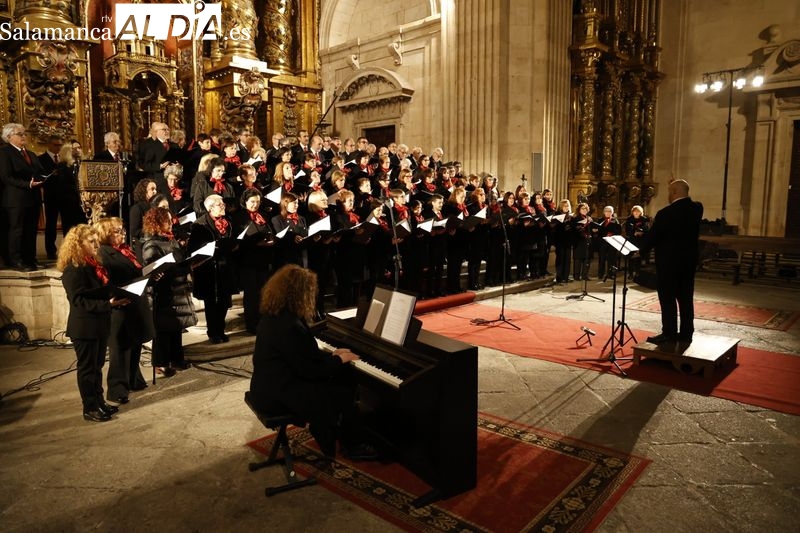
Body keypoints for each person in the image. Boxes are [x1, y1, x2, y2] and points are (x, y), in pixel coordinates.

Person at [248, 264, 376, 461]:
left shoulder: (275, 316)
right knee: (343, 388)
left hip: (267, 387)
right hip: (278, 396)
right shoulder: (290, 325)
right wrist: (338, 359)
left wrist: (333, 355)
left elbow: (302, 357)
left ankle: (333, 430)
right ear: (298, 294)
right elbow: (310, 370)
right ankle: (352, 444)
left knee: (342, 376)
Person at [58, 224, 129, 422]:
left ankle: (99, 402)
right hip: (85, 327)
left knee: (97, 367)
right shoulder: (73, 269)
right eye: (91, 242)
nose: (97, 244)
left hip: (98, 324)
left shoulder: (92, 264)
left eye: (97, 240)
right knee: (88, 370)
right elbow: (79, 300)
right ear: (78, 245)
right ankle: (89, 408)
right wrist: (108, 303)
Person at [96, 217, 153, 403]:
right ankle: (117, 389)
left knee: (135, 342)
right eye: (117, 231)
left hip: (134, 301)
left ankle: (133, 379)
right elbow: (105, 280)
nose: (123, 233)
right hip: (120, 305)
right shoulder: (103, 254)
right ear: (105, 234)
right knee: (120, 349)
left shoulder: (126, 250)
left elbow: (136, 272)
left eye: (122, 230)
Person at [646, 179, 703, 344]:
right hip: (688, 263)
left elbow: (653, 237)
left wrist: (640, 250)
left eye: (670, 191)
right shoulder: (697, 208)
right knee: (686, 298)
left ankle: (669, 333)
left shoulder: (665, 213)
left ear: (675, 192)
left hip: (668, 264)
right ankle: (686, 333)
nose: (668, 195)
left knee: (668, 299)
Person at [141, 207, 197, 374]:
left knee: (176, 326)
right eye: (166, 220)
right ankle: (161, 362)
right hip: (164, 291)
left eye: (170, 219)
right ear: (157, 223)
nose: (170, 223)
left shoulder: (171, 240)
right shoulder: (151, 244)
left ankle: (176, 359)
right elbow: (153, 269)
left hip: (178, 287)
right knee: (164, 329)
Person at [189, 194, 238, 344]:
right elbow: (194, 248)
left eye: (223, 204)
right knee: (211, 303)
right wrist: (210, 247)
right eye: (219, 205)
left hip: (225, 267)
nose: (223, 206)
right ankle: (213, 332)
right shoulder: (200, 224)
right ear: (210, 208)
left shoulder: (228, 222)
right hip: (208, 269)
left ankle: (221, 330)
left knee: (224, 302)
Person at [0, 123, 45, 271]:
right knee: (17, 230)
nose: (24, 136)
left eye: (24, 133)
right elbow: (6, 177)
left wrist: (44, 178)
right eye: (20, 134)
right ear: (9, 137)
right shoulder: (5, 152)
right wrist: (28, 184)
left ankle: (30, 258)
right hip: (15, 199)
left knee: (31, 230)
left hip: (33, 198)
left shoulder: (30, 154)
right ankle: (15, 260)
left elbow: (38, 171)